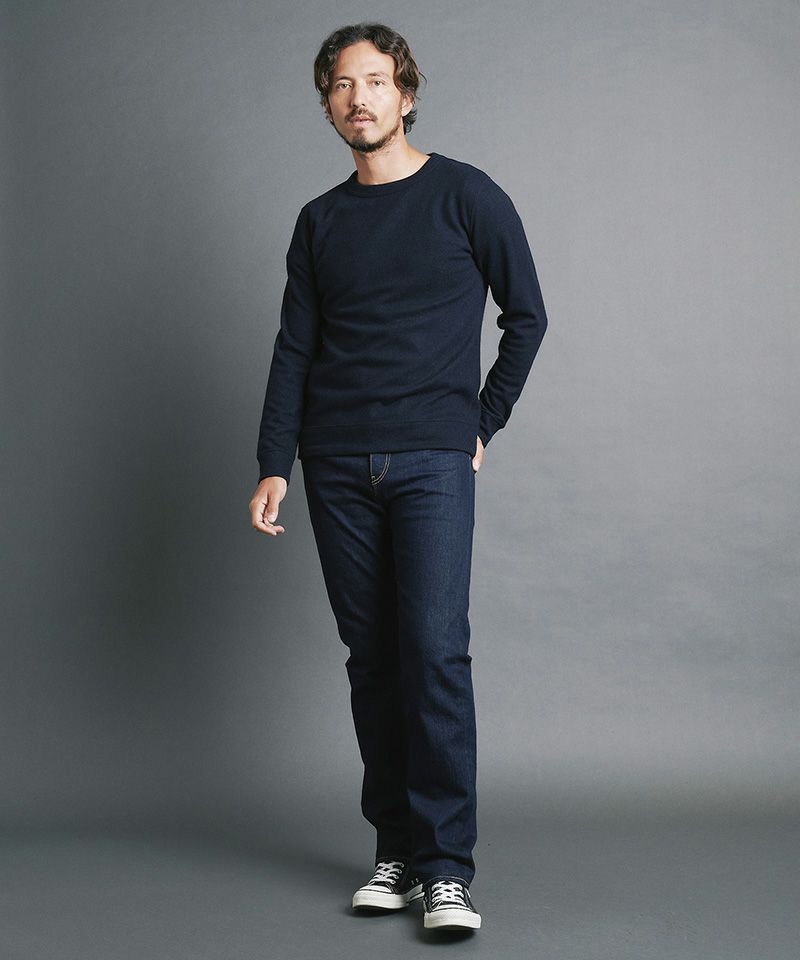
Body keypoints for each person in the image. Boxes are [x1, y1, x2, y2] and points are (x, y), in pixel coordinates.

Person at [249, 21, 548, 932]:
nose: (359, 98)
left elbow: (527, 316)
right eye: (343, 85)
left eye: (375, 81)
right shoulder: (320, 221)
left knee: (434, 652)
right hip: (335, 460)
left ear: (405, 95)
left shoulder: (466, 195)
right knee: (373, 661)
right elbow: (295, 348)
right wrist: (273, 464)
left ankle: (447, 868)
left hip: (431, 458)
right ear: (328, 104)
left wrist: (480, 422)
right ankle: (398, 853)